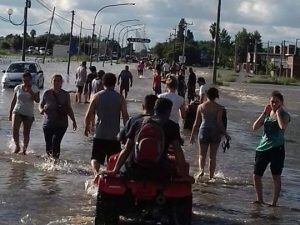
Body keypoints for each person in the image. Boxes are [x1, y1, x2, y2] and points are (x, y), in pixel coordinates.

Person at [106, 98, 192, 181]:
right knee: (172, 166)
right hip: (159, 171)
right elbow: (178, 151)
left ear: (154, 109)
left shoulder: (138, 122)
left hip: (134, 170)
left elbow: (127, 149)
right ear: (169, 111)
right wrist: (184, 175)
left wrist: (115, 170)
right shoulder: (172, 126)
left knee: (126, 164)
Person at [84, 73, 129, 181]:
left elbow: (89, 114)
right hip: (114, 135)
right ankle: (109, 179)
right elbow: (125, 116)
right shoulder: (120, 97)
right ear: (114, 83)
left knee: (95, 158)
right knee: (112, 159)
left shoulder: (97, 96)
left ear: (103, 83)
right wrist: (127, 133)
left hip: (99, 134)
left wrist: (86, 127)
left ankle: (96, 174)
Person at [252, 91, 290, 206]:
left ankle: (274, 202)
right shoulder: (267, 113)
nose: (273, 104)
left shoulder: (284, 115)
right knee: (256, 175)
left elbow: (282, 127)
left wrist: (278, 114)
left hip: (277, 148)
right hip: (263, 148)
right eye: (272, 101)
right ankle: (260, 199)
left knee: (276, 176)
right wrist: (264, 113)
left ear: (281, 103)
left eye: (276, 102)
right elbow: (254, 127)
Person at [190, 87, 225, 180]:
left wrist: (192, 135)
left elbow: (196, 123)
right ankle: (211, 176)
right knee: (212, 156)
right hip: (215, 132)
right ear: (216, 96)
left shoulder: (201, 106)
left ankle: (201, 170)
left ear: (207, 95)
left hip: (203, 130)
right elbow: (219, 122)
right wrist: (225, 133)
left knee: (202, 155)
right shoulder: (220, 108)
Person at [39, 74, 77, 160]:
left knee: (56, 142)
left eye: (59, 81)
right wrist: (41, 110)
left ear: (61, 83)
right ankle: (49, 161)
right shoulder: (47, 93)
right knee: (48, 144)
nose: (56, 82)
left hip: (61, 123)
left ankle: (55, 162)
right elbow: (40, 105)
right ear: (52, 81)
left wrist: (74, 121)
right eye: (55, 80)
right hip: (47, 123)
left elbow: (69, 108)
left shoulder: (65, 94)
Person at [9, 72, 40, 154]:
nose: (26, 82)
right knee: (15, 129)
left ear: (30, 79)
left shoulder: (34, 88)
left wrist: (31, 92)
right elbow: (14, 101)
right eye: (24, 80)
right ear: (22, 80)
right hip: (17, 111)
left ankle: (24, 150)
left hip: (28, 113)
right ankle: (17, 146)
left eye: (27, 80)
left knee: (26, 132)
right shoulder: (18, 88)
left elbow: (37, 100)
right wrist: (10, 112)